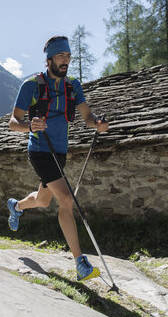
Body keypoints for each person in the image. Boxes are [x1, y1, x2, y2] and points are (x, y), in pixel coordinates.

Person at [7, 36, 109, 281]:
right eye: (62, 56)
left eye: (69, 56)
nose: (66, 61)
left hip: (60, 152)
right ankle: (80, 262)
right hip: (40, 151)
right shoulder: (31, 85)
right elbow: (13, 123)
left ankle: (16, 206)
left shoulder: (73, 85)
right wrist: (30, 127)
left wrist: (97, 124)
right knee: (65, 198)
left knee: (42, 201)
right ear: (49, 59)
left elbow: (86, 116)